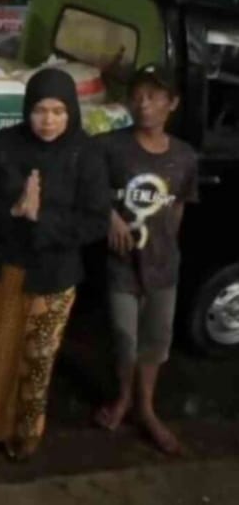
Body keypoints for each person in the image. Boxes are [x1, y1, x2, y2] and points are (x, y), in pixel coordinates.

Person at [0, 68, 110, 460]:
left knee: (36, 360)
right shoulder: (4, 144)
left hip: (52, 276)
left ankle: (22, 436)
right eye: (40, 110)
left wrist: (40, 218)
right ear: (27, 109)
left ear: (71, 111)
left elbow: (96, 220)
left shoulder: (86, 153)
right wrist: (13, 210)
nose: (48, 121)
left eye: (58, 111)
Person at [93, 64, 198, 455]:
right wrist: (110, 216)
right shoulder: (108, 147)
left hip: (164, 266)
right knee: (124, 338)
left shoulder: (184, 156)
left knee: (155, 342)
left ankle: (146, 408)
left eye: (154, 96)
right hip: (121, 264)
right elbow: (88, 190)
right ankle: (123, 397)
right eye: (137, 96)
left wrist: (165, 248)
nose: (144, 104)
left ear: (173, 103)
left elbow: (179, 207)